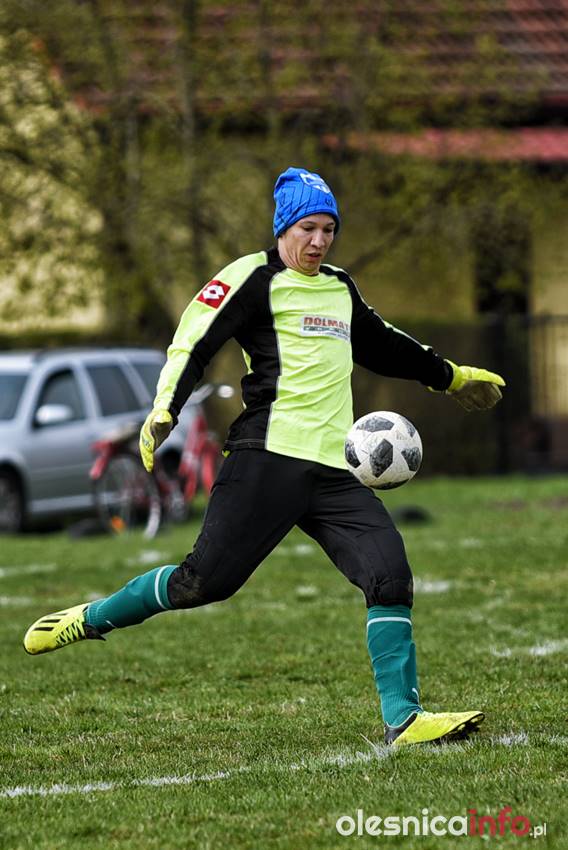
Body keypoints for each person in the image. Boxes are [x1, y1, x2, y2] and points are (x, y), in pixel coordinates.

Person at [24, 167, 505, 747]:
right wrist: (165, 408)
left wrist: (452, 377)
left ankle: (403, 720)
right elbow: (193, 342)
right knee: (202, 584)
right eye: (308, 228)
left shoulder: (340, 287)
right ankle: (90, 618)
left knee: (389, 575)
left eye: (329, 229)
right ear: (283, 228)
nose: (320, 241)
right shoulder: (250, 278)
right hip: (266, 458)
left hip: (336, 471)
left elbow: (384, 343)